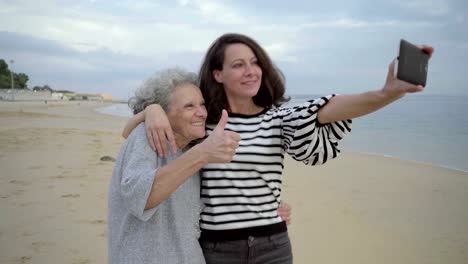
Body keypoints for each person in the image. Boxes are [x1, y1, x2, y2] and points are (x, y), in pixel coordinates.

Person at [122, 33, 434, 264]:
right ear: (218, 74)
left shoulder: (279, 118)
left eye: (256, 62)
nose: (251, 71)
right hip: (216, 250)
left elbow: (331, 107)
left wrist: (385, 94)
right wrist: (152, 110)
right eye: (239, 65)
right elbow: (129, 133)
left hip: (273, 246)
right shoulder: (202, 123)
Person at [107, 67, 241, 264]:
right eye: (189, 106)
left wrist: (269, 206)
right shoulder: (145, 136)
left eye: (202, 104)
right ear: (163, 114)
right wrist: (202, 153)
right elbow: (140, 197)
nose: (201, 113)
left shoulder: (190, 149)